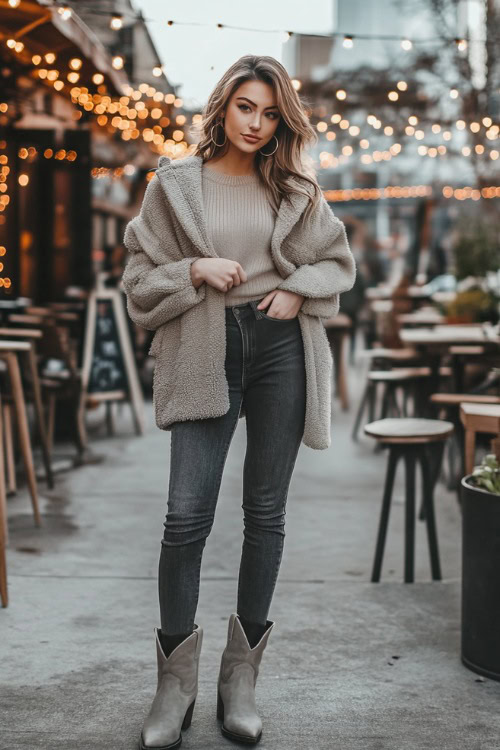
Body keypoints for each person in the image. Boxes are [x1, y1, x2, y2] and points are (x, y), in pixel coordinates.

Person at [122, 55, 355, 749]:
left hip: (281, 348)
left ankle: (241, 680)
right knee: (184, 517)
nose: (257, 124)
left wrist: (297, 289)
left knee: (267, 514)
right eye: (246, 108)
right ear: (223, 106)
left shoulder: (297, 190)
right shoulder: (174, 186)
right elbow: (139, 282)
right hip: (205, 346)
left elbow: (337, 262)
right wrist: (194, 268)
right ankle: (174, 686)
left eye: (270, 113)